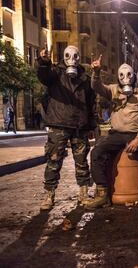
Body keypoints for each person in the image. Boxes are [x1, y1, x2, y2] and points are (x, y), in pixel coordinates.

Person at [84, 55, 138, 210]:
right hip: (116, 134)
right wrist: (96, 72)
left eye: (129, 75)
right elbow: (96, 87)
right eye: (122, 75)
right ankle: (102, 194)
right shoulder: (113, 90)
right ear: (119, 78)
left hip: (135, 135)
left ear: (133, 77)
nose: (126, 78)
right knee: (96, 152)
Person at [36, 45, 96, 211]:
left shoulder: (85, 78)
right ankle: (49, 195)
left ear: (79, 57)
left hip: (80, 126)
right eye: (69, 56)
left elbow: (91, 104)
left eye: (75, 56)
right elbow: (43, 76)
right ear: (63, 57)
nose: (72, 59)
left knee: (82, 161)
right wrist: (43, 62)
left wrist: (91, 125)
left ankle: (83, 194)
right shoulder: (55, 73)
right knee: (53, 161)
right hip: (59, 123)